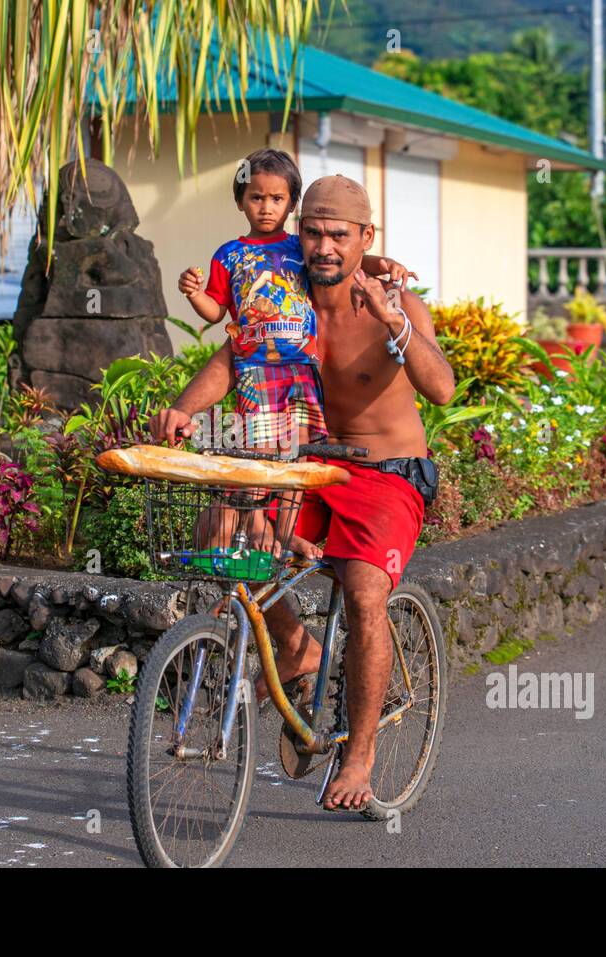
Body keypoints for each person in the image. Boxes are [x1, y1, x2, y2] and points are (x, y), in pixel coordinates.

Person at [151, 174, 456, 812]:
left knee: (365, 590)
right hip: (304, 462)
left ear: (365, 237)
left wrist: (393, 319)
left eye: (339, 235)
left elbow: (442, 387)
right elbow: (236, 357)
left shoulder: (393, 301)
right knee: (222, 532)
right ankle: (296, 649)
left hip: (386, 472)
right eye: (312, 231)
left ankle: (361, 755)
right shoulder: (280, 295)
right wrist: (183, 408)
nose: (324, 246)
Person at [175, 148, 412, 550]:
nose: (266, 208)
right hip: (257, 370)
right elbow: (215, 313)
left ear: (291, 206)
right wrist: (195, 294)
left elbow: (346, 257)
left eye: (277, 199)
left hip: (300, 370)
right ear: (239, 201)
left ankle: (286, 537)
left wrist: (383, 263)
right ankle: (278, 540)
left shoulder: (297, 251)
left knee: (296, 459)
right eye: (256, 198)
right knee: (259, 458)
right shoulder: (230, 256)